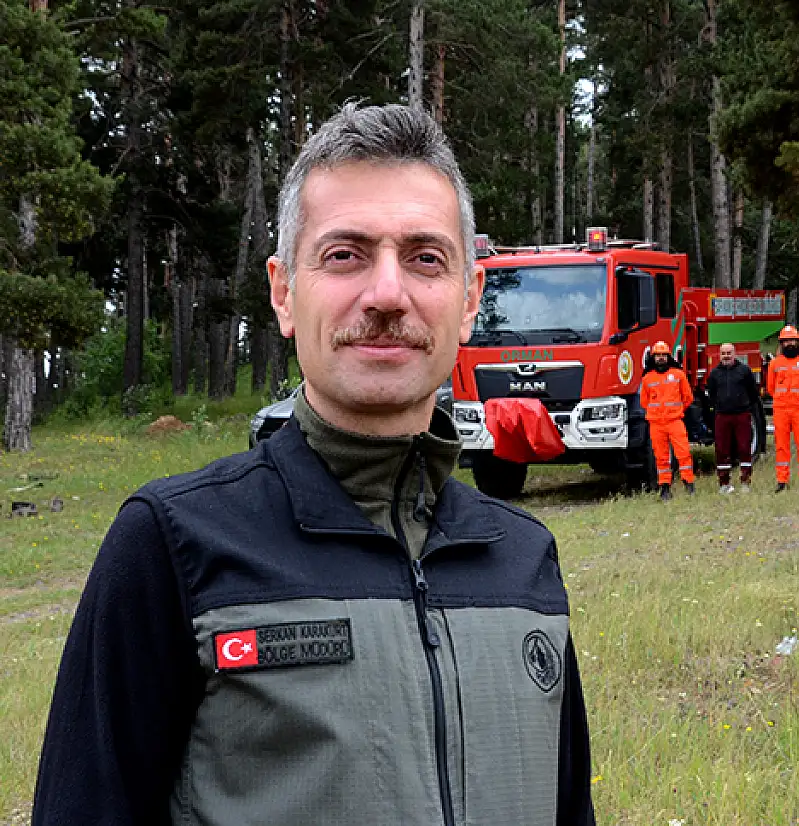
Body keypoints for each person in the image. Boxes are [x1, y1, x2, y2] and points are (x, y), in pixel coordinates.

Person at [33, 104, 595, 826]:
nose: (388, 293)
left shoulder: (524, 561)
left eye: (426, 257)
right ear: (282, 292)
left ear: (469, 299)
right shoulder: (172, 547)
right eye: (345, 254)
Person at [640, 340, 696, 500]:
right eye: (658, 355)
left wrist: (675, 411)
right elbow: (644, 402)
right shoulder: (647, 378)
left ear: (668, 356)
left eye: (663, 355)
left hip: (675, 421)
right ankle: (664, 487)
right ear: (653, 358)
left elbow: (688, 397)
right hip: (656, 424)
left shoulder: (678, 375)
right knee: (661, 457)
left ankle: (689, 483)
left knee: (683, 453)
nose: (661, 358)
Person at [766, 326, 799, 492]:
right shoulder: (774, 363)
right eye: (786, 341)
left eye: (792, 340)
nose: (789, 343)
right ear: (781, 343)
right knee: (781, 446)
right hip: (781, 410)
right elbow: (770, 388)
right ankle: (782, 481)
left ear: (798, 342)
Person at [705, 342, 759, 493]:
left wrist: (745, 405)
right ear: (719, 355)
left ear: (735, 354)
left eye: (729, 353)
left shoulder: (744, 371)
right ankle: (724, 484)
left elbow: (753, 392)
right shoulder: (714, 374)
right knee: (722, 450)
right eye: (723, 353)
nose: (726, 356)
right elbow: (712, 394)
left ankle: (745, 482)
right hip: (722, 416)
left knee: (744, 448)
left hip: (741, 414)